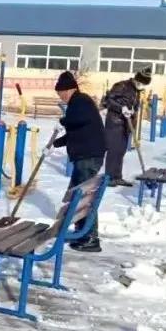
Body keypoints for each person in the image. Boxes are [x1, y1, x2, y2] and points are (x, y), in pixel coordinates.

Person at [53, 71, 106, 252]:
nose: (61, 97)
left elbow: (77, 120)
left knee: (83, 198)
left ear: (69, 89)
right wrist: (57, 143)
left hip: (88, 157)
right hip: (87, 156)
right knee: (80, 196)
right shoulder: (79, 103)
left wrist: (63, 120)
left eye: (61, 93)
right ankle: (82, 233)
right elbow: (77, 128)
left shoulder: (81, 102)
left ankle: (89, 236)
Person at [101, 67, 152, 186]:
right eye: (140, 82)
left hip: (126, 125)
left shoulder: (136, 91)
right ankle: (109, 178)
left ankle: (117, 177)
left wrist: (133, 111)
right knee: (114, 151)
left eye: (144, 84)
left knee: (120, 152)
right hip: (115, 123)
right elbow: (108, 101)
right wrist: (121, 108)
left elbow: (134, 106)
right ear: (136, 79)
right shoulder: (121, 86)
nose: (141, 85)